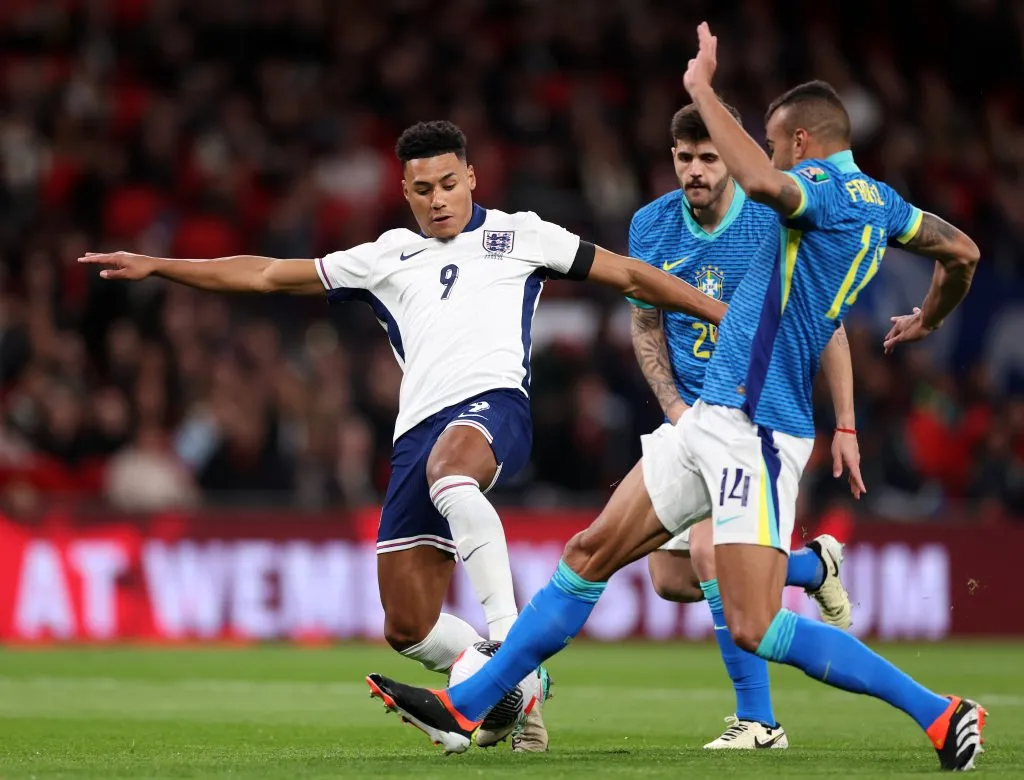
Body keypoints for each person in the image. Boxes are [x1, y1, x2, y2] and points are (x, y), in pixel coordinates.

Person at [365, 26, 986, 772]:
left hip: (756, 425)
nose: (768, 151)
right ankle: (474, 702)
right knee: (590, 554)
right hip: (712, 418)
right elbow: (962, 252)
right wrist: (929, 317)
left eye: (770, 140)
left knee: (754, 623)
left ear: (798, 139)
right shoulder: (885, 204)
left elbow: (761, 183)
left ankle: (942, 712)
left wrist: (701, 90)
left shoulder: (814, 189)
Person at [80, 119, 726, 753]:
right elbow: (269, 275)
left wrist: (718, 312)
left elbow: (634, 277)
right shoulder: (387, 256)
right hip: (416, 433)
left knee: (453, 471)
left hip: (494, 406)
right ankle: (507, 685)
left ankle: (513, 656)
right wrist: (159, 265)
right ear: (405, 191)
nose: (439, 198)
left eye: (449, 183)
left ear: (471, 177)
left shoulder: (523, 236)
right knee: (408, 627)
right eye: (424, 189)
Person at [630, 101, 858, 750]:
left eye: (709, 157)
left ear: (730, 157)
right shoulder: (650, 227)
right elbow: (645, 323)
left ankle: (759, 722)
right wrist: (674, 408)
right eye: (684, 159)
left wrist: (846, 423)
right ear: (671, 158)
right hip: (690, 418)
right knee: (671, 580)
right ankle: (812, 570)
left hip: (754, 418)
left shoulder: (769, 217)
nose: (696, 171)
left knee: (708, 554)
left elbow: (828, 325)